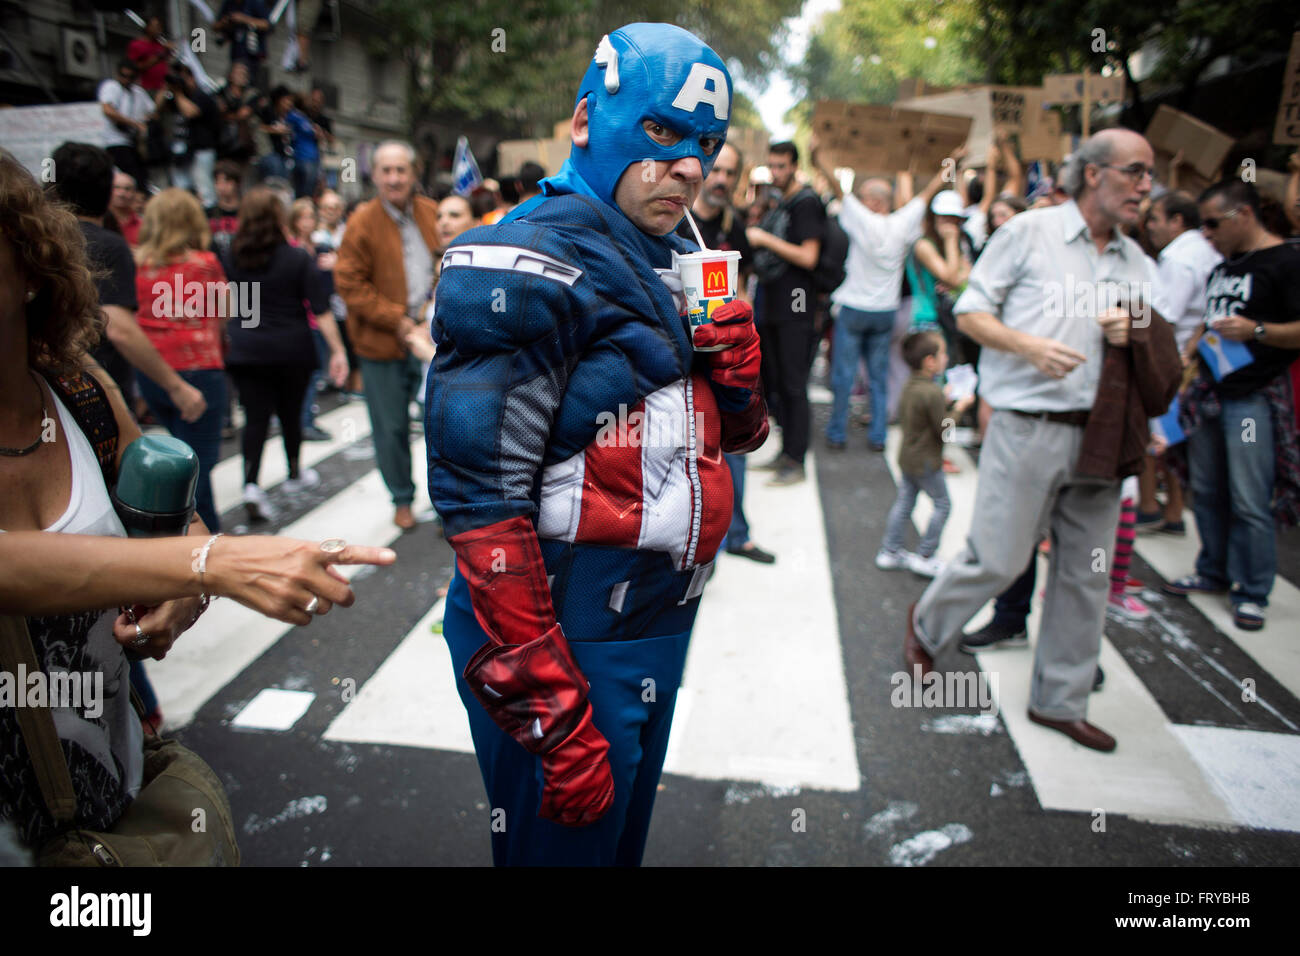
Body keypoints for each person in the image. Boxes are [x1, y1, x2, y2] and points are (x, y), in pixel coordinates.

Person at [426, 23, 767, 865]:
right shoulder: (521, 254)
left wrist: (737, 374)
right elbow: (479, 503)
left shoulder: (675, 247)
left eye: (708, 145)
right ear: (586, 120)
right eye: (662, 133)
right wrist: (549, 704)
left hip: (656, 616)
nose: (689, 165)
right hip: (566, 632)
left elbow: (735, 439)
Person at [0, 147, 394, 853]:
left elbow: (173, 510)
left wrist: (186, 588)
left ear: (29, 267)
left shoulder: (77, 385)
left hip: (112, 799)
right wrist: (209, 564)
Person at [903, 129, 1182, 753]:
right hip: (1029, 426)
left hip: (1105, 439)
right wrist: (1029, 347)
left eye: (1150, 174)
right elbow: (971, 312)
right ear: (1093, 174)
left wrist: (1134, 330)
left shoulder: (1138, 262)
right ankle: (926, 626)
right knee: (1000, 557)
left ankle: (1060, 701)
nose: (1146, 186)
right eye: (1135, 172)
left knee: (1087, 575)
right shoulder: (1029, 232)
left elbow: (1161, 349)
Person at [1162, 180, 1300, 631]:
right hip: (1209, 393)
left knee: (1249, 497)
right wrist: (1192, 353)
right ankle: (1213, 569)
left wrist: (1256, 331)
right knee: (1207, 490)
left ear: (1243, 215)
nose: (1206, 234)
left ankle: (1252, 589)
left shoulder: (1286, 260)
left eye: (1213, 223)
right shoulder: (1225, 265)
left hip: (1254, 396)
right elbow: (1211, 318)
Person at [49, 143, 207, 432]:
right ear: (108, 189)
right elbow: (119, 327)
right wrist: (176, 387)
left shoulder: (41, 241)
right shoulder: (109, 245)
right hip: (94, 391)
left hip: (46, 390)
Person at [812, 141, 955, 454]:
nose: (860, 203)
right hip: (885, 311)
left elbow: (837, 188)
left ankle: (837, 432)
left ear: (875, 202)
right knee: (879, 376)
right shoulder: (903, 223)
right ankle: (878, 435)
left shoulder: (863, 220)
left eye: (864, 198)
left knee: (844, 374)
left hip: (853, 309)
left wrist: (818, 159)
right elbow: (926, 194)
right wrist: (951, 162)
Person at [675, 141, 774, 564]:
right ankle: (702, 542)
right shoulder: (673, 216)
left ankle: (737, 533)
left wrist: (744, 328)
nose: (720, 179)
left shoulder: (733, 226)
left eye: (730, 173)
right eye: (716, 169)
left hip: (728, 353)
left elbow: (744, 282)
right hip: (682, 358)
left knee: (735, 438)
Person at [223, 189, 348, 521]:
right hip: (291, 348)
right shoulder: (296, 258)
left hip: (246, 349)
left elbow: (231, 305)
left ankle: (251, 483)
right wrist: (337, 350)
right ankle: (294, 472)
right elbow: (320, 310)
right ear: (280, 219)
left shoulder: (231, 256)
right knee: (291, 414)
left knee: (255, 418)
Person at [335, 141, 439, 532]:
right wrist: (397, 321)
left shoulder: (430, 213)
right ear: (375, 175)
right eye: (386, 171)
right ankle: (401, 497)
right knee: (391, 426)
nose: (394, 178)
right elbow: (349, 283)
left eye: (401, 170)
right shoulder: (362, 221)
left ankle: (446, 499)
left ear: (414, 174)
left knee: (440, 424)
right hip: (383, 343)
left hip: (431, 338)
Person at [132, 189, 229, 532]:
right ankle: (201, 549)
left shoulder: (138, 264)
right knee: (196, 473)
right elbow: (224, 312)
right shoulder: (203, 263)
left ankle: (206, 538)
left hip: (154, 373)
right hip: (199, 371)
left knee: (181, 457)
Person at [1134, 190, 1222, 533]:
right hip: (1194, 360)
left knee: (1153, 437)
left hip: (1173, 363)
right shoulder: (1208, 250)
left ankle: (1149, 506)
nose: (1149, 227)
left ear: (1177, 221)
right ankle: (1171, 510)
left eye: (1154, 218)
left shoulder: (1178, 258)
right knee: (1170, 438)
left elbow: (1163, 316)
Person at [746, 142, 823, 485]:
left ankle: (796, 458)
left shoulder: (806, 203)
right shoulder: (781, 202)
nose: (776, 172)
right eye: (772, 165)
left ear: (794, 166)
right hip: (774, 302)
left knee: (793, 383)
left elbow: (808, 257)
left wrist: (763, 238)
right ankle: (786, 453)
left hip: (796, 301)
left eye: (781, 166)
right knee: (777, 382)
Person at [877, 331, 973, 577]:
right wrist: (960, 408)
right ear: (930, 361)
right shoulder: (931, 392)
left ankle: (891, 550)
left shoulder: (911, 385)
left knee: (905, 502)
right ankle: (926, 555)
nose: (946, 357)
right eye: (942, 354)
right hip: (927, 461)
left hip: (907, 457)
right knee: (943, 505)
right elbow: (945, 430)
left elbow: (926, 412)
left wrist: (945, 398)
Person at [161, 65, 222, 209]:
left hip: (201, 150)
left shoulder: (202, 96)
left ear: (191, 78)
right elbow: (156, 110)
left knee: (204, 189)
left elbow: (191, 112)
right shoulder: (174, 97)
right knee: (180, 189)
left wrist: (178, 93)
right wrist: (167, 88)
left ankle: (208, 217)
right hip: (180, 151)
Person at [97, 60, 156, 193]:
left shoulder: (138, 92)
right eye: (123, 76)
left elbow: (153, 111)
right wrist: (133, 123)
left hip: (132, 143)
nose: (126, 80)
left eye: (130, 77)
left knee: (140, 179)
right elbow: (108, 110)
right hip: (114, 141)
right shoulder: (111, 86)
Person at [215, 0, 270, 87]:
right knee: (234, 84)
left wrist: (244, 19)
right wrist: (226, 22)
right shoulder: (229, 3)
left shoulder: (255, 3)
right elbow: (215, 26)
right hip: (236, 54)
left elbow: (266, 24)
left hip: (254, 56)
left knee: (252, 86)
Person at [206, 159, 244, 260]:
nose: (221, 187)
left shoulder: (247, 211)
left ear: (237, 183)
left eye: (227, 181)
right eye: (217, 182)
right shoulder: (207, 213)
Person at [126, 15, 173, 93]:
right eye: (155, 26)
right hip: (146, 88)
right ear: (147, 27)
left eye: (160, 27)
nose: (158, 30)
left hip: (163, 88)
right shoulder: (137, 44)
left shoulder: (161, 45)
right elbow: (134, 67)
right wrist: (159, 56)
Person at [107, 168, 142, 247]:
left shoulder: (142, 224)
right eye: (116, 188)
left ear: (134, 193)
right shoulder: (100, 221)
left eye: (127, 189)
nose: (122, 193)